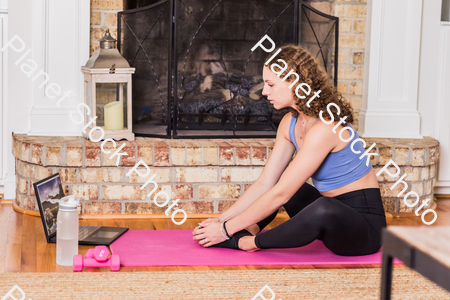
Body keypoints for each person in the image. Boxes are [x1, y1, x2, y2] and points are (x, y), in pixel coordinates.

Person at [192, 45, 387, 256]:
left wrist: (224, 231)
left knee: (321, 206)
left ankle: (248, 242)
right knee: (288, 188)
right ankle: (249, 228)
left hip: (364, 232)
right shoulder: (289, 122)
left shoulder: (327, 127)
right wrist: (223, 220)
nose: (264, 92)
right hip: (330, 224)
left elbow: (281, 195)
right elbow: (266, 183)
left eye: (270, 84)